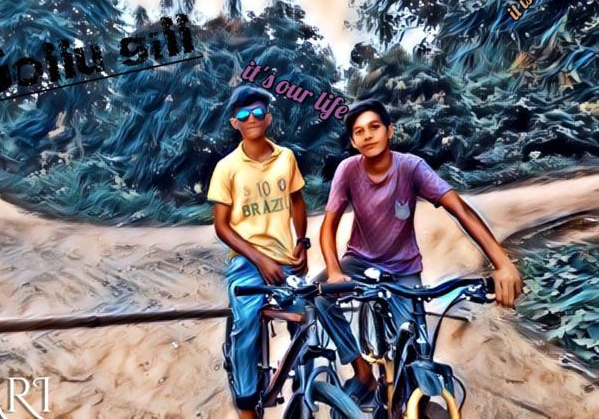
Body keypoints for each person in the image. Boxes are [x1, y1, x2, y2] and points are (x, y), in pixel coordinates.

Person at [314, 98, 524, 405]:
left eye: (374, 127)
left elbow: (460, 210)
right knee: (320, 296)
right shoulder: (348, 170)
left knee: (415, 355)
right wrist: (334, 271)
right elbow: (328, 227)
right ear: (353, 141)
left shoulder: (411, 167)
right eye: (359, 132)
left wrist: (502, 263)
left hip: (403, 269)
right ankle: (361, 371)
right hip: (358, 261)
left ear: (389, 131)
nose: (368, 135)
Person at [207, 86, 310, 419]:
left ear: (268, 117)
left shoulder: (286, 158)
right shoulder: (226, 167)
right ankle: (246, 403)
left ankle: (306, 388)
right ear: (234, 123)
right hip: (246, 263)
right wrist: (259, 259)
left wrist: (302, 241)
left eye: (257, 112)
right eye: (242, 113)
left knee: (306, 318)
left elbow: (297, 201)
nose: (250, 118)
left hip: (285, 260)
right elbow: (222, 226)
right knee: (245, 326)